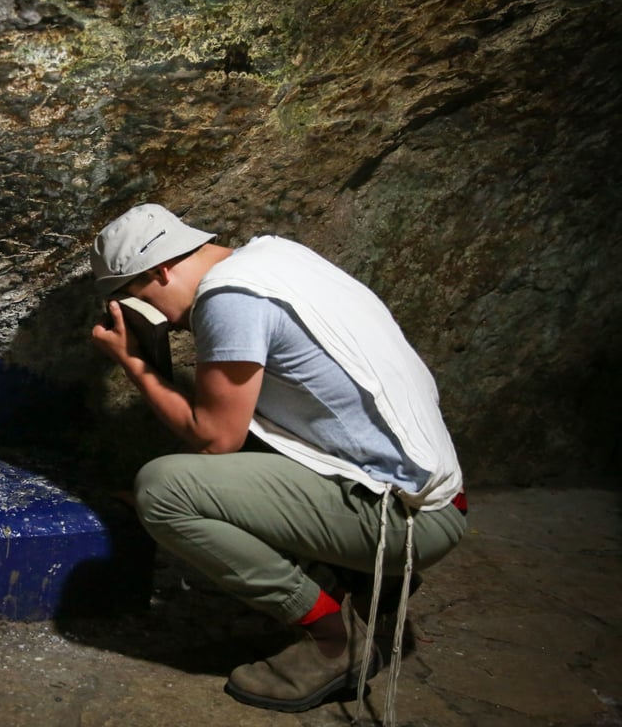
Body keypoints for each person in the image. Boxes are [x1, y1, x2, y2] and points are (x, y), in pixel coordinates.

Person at [89, 203, 466, 719]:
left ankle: (334, 639)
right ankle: (367, 588)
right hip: (432, 494)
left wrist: (136, 365)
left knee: (163, 489)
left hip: (403, 523)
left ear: (160, 271)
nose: (151, 317)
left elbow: (213, 439)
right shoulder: (277, 259)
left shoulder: (229, 300)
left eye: (133, 300)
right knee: (251, 436)